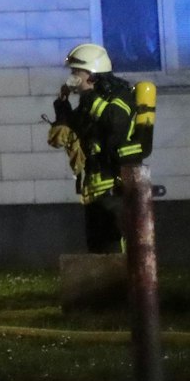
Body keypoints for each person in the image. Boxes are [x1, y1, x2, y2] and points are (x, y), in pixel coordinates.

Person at [48, 43, 146, 254]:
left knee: (115, 250)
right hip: (93, 191)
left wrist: (91, 97)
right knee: (97, 250)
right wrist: (62, 107)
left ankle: (125, 286)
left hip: (115, 189)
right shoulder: (87, 104)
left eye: (77, 72)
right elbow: (75, 130)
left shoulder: (121, 97)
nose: (72, 77)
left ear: (92, 74)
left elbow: (115, 124)